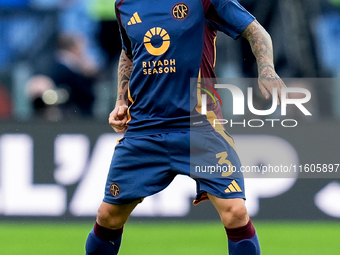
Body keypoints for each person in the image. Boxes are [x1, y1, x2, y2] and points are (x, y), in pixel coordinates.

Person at [85, 0, 286, 254]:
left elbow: (256, 30)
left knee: (235, 212)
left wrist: (266, 69)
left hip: (200, 125)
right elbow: (128, 53)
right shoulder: (124, 4)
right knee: (108, 217)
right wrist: (121, 100)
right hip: (145, 128)